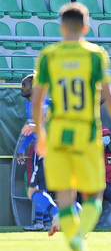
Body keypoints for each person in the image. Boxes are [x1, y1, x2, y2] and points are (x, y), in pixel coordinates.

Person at [32, 3, 111, 251]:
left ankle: (77, 249)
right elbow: (110, 95)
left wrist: (40, 132)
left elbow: (37, 99)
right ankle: (79, 236)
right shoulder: (96, 55)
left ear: (61, 26)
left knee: (65, 193)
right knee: (96, 192)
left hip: (58, 133)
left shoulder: (48, 56)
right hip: (85, 131)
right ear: (86, 27)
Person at [18, 74, 56, 231]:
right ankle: (46, 222)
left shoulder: (44, 102)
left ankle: (40, 221)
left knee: (38, 187)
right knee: (41, 187)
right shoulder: (29, 105)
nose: (22, 88)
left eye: (25, 85)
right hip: (40, 149)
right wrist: (22, 149)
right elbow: (32, 130)